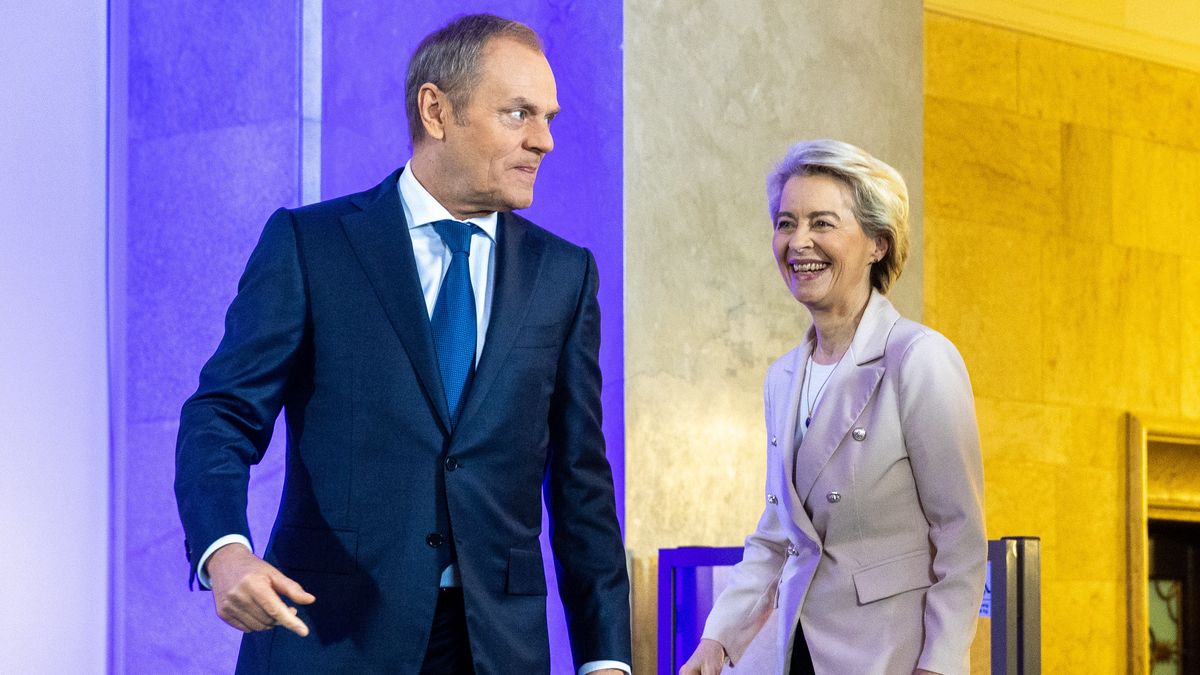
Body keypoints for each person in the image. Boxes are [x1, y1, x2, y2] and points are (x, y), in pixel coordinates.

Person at [174, 14, 630, 675]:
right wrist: (225, 549)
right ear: (436, 110)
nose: (544, 140)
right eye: (519, 114)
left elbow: (581, 484)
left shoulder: (564, 275)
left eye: (549, 117)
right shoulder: (312, 247)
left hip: (496, 650)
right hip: (330, 639)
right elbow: (220, 414)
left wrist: (605, 659)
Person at [680, 140, 986, 675]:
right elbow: (778, 531)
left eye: (822, 222)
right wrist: (717, 641)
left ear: (877, 244)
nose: (799, 242)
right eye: (785, 223)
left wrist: (939, 666)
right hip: (794, 651)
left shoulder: (919, 359)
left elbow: (961, 540)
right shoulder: (782, 377)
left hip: (888, 655)